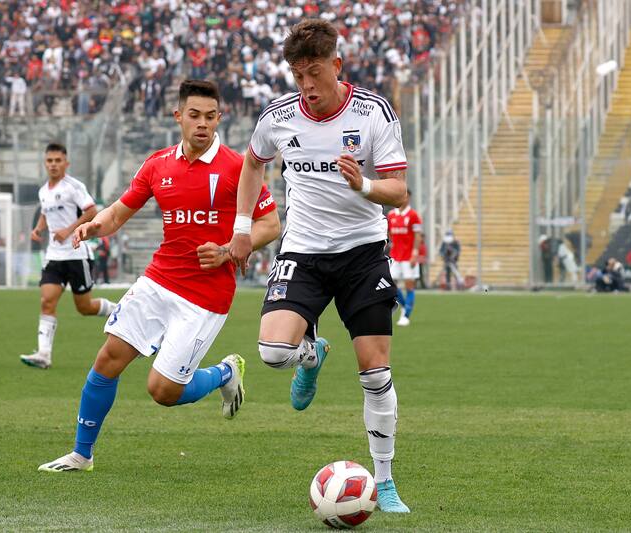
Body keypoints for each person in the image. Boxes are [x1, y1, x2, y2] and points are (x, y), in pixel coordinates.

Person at [37, 80, 280, 473]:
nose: (202, 124)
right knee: (108, 360)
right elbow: (117, 213)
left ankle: (225, 372)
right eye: (194, 115)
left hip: (206, 296)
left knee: (163, 391)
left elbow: (270, 224)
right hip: (158, 281)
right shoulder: (157, 164)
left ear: (219, 118)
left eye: (210, 116)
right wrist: (92, 226)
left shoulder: (238, 167)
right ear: (178, 116)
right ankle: (82, 454)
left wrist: (231, 250)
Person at [229, 19, 411, 513]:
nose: (307, 86)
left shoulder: (374, 112)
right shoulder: (279, 116)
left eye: (314, 73)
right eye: (297, 75)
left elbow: (398, 191)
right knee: (270, 352)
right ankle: (311, 354)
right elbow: (252, 163)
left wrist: (365, 187)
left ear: (337, 65)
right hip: (303, 251)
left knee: (375, 373)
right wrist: (242, 228)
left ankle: (386, 480)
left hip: (362, 252)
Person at [19, 143, 116, 370]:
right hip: (54, 256)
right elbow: (46, 212)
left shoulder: (74, 186)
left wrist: (69, 230)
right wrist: (39, 228)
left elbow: (91, 211)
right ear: (45, 163)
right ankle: (44, 354)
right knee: (47, 301)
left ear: (66, 163)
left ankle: (119, 311)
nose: (53, 165)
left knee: (84, 307)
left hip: (77, 253)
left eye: (57, 160)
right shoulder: (44, 191)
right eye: (50, 161)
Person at [387, 190, 422, 326]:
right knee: (391, 284)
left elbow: (418, 236)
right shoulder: (391, 215)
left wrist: (415, 253)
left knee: (409, 286)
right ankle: (403, 306)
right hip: (395, 256)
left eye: (406, 196)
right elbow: (389, 232)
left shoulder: (413, 215)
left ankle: (406, 316)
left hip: (409, 257)